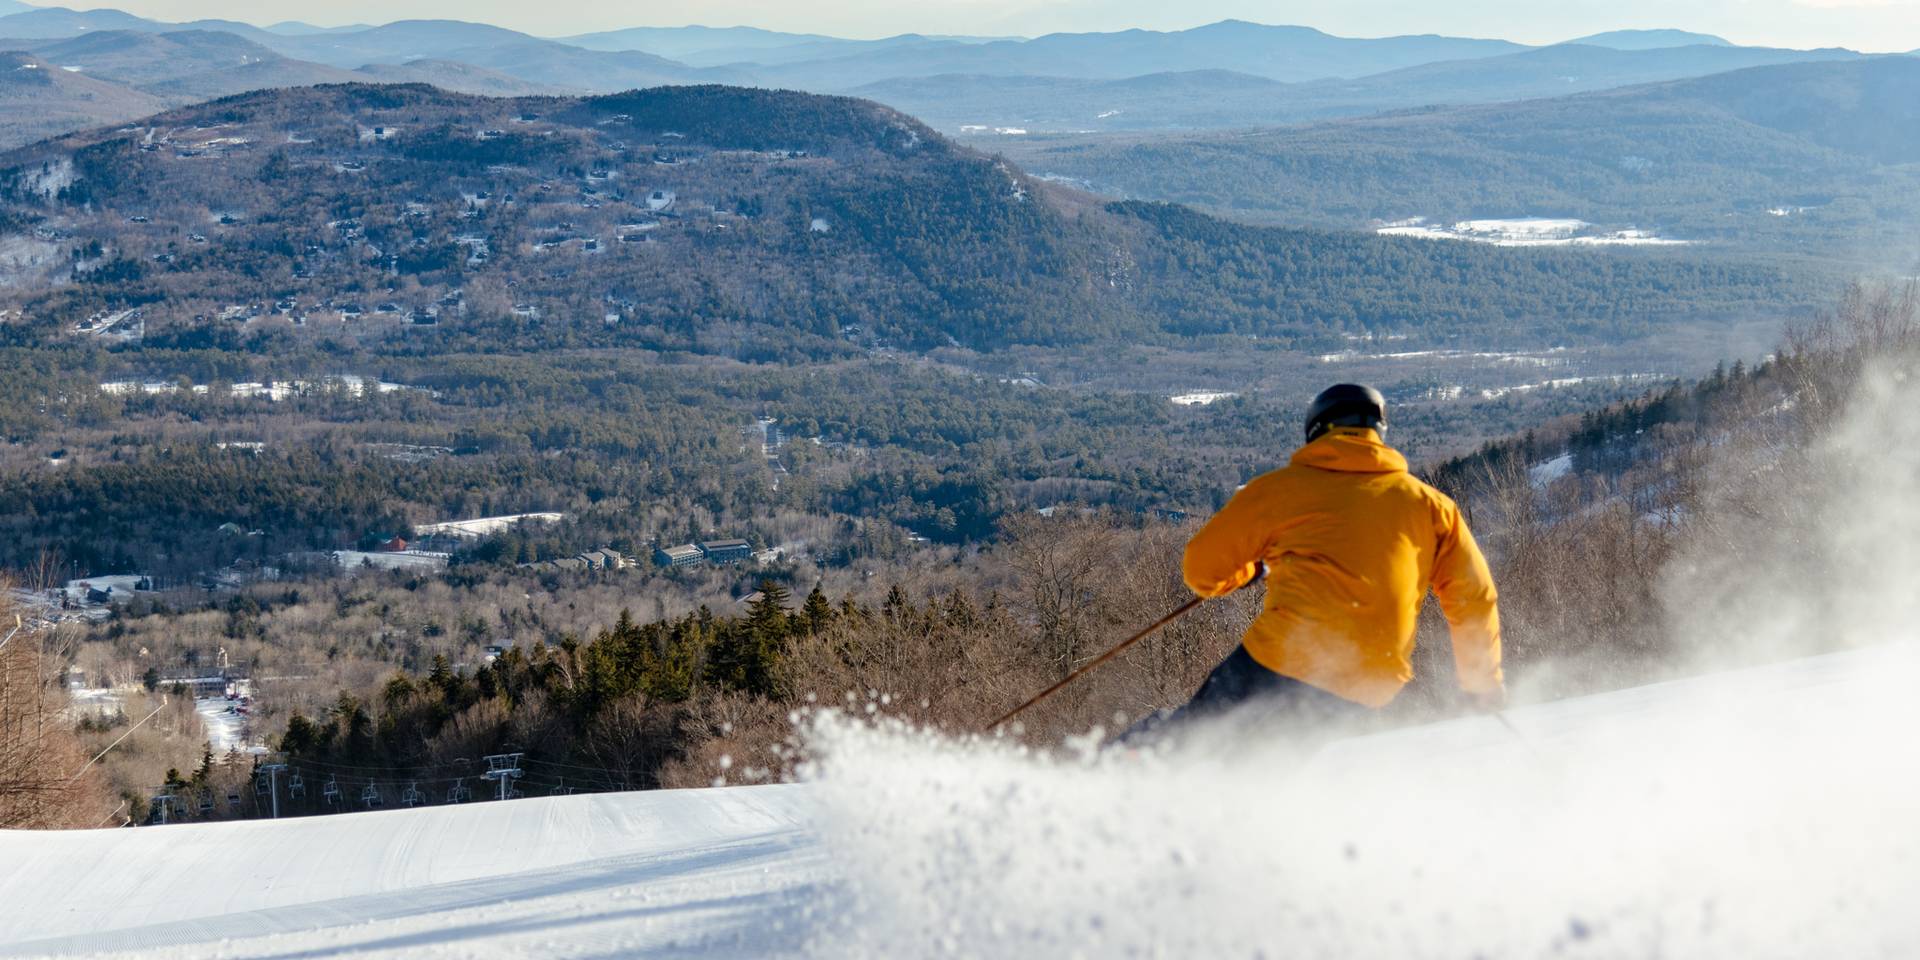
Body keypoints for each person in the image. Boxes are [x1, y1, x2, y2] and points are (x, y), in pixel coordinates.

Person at [1126, 384, 1504, 746]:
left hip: (1286, 657)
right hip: (1374, 681)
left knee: (1192, 739)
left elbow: (1201, 569)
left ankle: (1114, 776)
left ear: (1317, 431)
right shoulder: (1432, 506)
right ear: (1378, 433)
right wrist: (1481, 685)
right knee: (1275, 766)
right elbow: (1473, 597)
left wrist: (1250, 572)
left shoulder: (1281, 490)